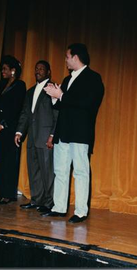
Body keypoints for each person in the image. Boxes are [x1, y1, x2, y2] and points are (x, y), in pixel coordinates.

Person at [43, 43, 104, 223]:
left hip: (80, 132)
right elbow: (63, 107)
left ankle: (80, 211)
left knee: (80, 172)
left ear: (75, 57)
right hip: (64, 132)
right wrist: (55, 97)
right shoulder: (67, 79)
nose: (66, 60)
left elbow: (88, 103)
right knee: (60, 170)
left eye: (67, 56)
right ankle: (59, 207)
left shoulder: (93, 78)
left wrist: (61, 95)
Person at [15, 60, 58, 213]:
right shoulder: (30, 91)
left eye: (41, 69)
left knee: (47, 171)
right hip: (32, 137)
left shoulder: (53, 89)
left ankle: (49, 203)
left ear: (48, 72)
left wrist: (53, 134)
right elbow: (25, 114)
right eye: (36, 69)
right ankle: (36, 200)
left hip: (45, 137)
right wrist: (19, 132)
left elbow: (56, 114)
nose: (38, 71)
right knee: (34, 170)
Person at [0, 55, 26, 204]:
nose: (2, 71)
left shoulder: (20, 85)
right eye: (1, 69)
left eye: (4, 69)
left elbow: (16, 109)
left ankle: (8, 194)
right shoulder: (0, 85)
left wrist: (2, 125)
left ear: (13, 70)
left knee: (10, 162)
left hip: (9, 130)